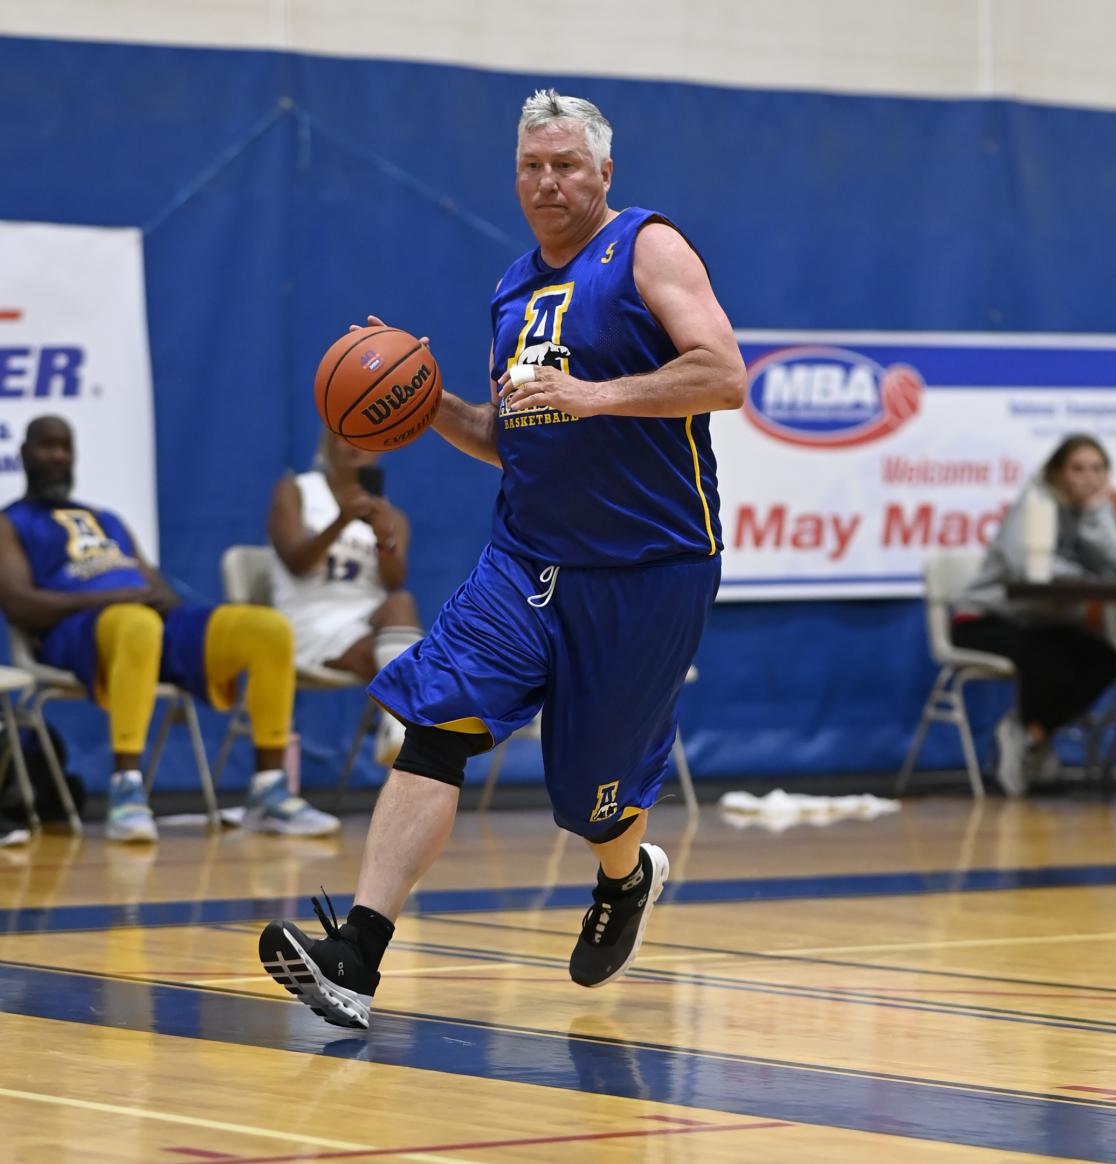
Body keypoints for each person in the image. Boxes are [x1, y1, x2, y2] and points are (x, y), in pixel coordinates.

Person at [259, 88, 746, 1028]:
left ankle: (624, 874)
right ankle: (356, 955)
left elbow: (723, 375)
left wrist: (591, 394)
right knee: (435, 723)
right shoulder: (513, 289)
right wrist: (429, 403)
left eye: (566, 165)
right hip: (525, 559)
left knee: (593, 800)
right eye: (532, 166)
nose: (547, 181)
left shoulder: (647, 246)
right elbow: (510, 435)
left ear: (604, 172)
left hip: (648, 566)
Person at [0, 415, 340, 842]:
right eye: (46, 446)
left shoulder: (107, 519)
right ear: (24, 454)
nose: (57, 455)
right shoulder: (11, 522)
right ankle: (126, 791)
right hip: (76, 630)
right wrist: (114, 599)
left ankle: (269, 791)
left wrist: (144, 595)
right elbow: (19, 604)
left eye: (64, 447)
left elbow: (160, 589)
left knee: (267, 628)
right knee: (136, 623)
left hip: (146, 623)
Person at [951, 434, 1116, 796]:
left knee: (1106, 659)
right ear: (1057, 472)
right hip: (984, 617)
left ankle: (1031, 734)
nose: (1089, 478)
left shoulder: (1094, 509)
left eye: (1098, 469)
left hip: (1040, 622)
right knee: (1048, 661)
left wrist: (1096, 513)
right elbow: (1027, 569)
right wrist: (1083, 576)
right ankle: (1022, 737)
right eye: (1078, 468)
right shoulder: (1034, 503)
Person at [268, 431, 423, 765]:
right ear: (327, 443)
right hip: (311, 618)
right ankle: (406, 728)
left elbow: (394, 581)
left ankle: (400, 730)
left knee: (402, 603)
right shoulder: (296, 490)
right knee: (416, 667)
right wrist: (340, 521)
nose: (354, 446)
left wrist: (384, 539)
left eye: (366, 439)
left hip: (368, 617)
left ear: (379, 451)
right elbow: (295, 562)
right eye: (345, 436)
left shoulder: (391, 516)